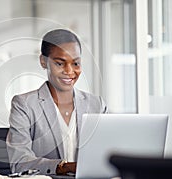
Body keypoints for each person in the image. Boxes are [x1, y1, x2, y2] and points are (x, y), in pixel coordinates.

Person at [6, 29, 108, 176]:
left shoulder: (96, 104)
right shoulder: (24, 105)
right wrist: (63, 167)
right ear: (43, 61)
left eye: (76, 63)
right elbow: (20, 162)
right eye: (60, 64)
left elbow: (111, 151)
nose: (69, 71)